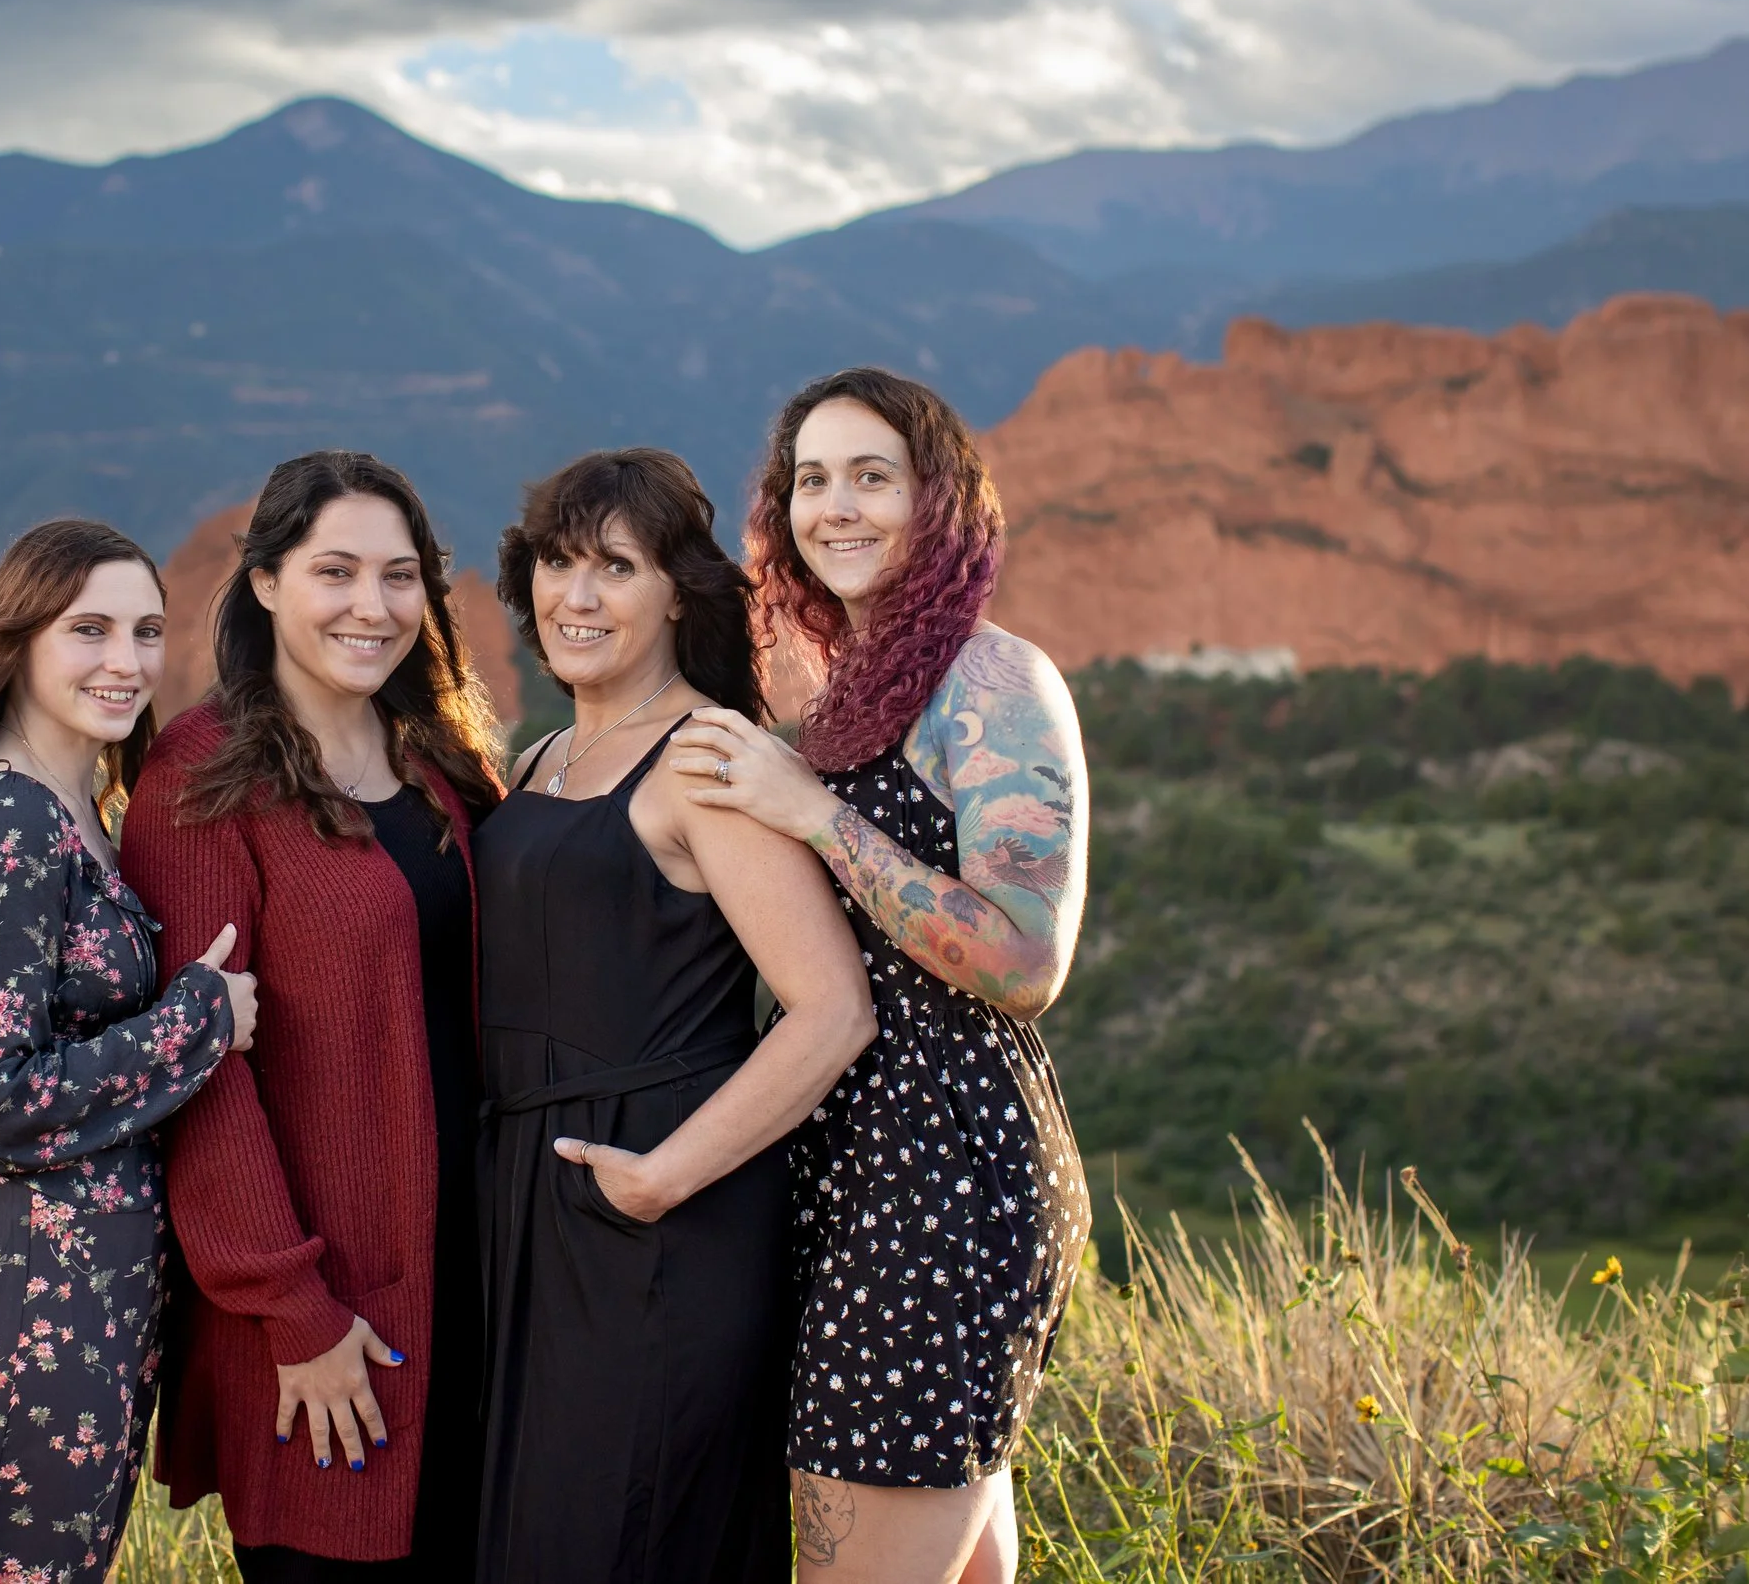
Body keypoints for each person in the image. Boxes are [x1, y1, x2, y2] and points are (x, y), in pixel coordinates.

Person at [665, 369, 1093, 1584]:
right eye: (811, 479)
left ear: (938, 502)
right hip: (859, 1163)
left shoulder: (995, 681)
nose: (835, 506)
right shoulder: (853, 689)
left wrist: (812, 812)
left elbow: (1021, 961)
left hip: (946, 1172)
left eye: (871, 476)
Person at [474, 448, 877, 1584]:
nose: (577, 595)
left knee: (624, 1536)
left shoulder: (705, 756)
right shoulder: (542, 756)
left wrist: (657, 1177)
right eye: (558, 563)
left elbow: (830, 1009)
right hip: (526, 1209)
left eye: (615, 565)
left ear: (676, 593)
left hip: (658, 1213)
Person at [119, 451, 506, 1581]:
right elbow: (197, 1076)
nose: (371, 605)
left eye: (399, 576)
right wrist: (294, 1312)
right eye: (334, 569)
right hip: (328, 1320)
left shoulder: (435, 755)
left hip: (472, 1287)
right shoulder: (204, 775)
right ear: (268, 582)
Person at [0, 519, 260, 1584]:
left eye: (145, 631)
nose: (125, 662)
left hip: (84, 1293)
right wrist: (199, 1019)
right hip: (10, 1293)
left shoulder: (80, 804)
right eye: (89, 630)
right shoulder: (2, 818)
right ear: (19, 641)